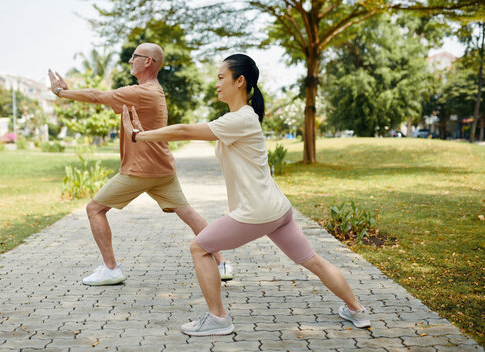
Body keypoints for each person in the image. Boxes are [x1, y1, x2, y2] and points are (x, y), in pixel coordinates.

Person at [121, 54, 371, 336]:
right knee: (312, 259)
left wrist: (138, 136)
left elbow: (184, 130)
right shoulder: (240, 118)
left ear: (239, 81)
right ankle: (356, 310)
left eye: (220, 77)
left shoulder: (240, 119)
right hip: (277, 209)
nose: (216, 83)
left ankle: (218, 319)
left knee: (199, 248)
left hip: (258, 212)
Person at [48, 43, 233, 285]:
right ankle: (222, 264)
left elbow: (97, 96)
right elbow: (102, 97)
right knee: (187, 212)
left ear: (148, 62)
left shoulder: (142, 92)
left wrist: (62, 92)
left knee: (94, 209)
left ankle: (111, 268)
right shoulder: (153, 91)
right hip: (162, 170)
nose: (129, 61)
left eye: (134, 57)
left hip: (140, 170)